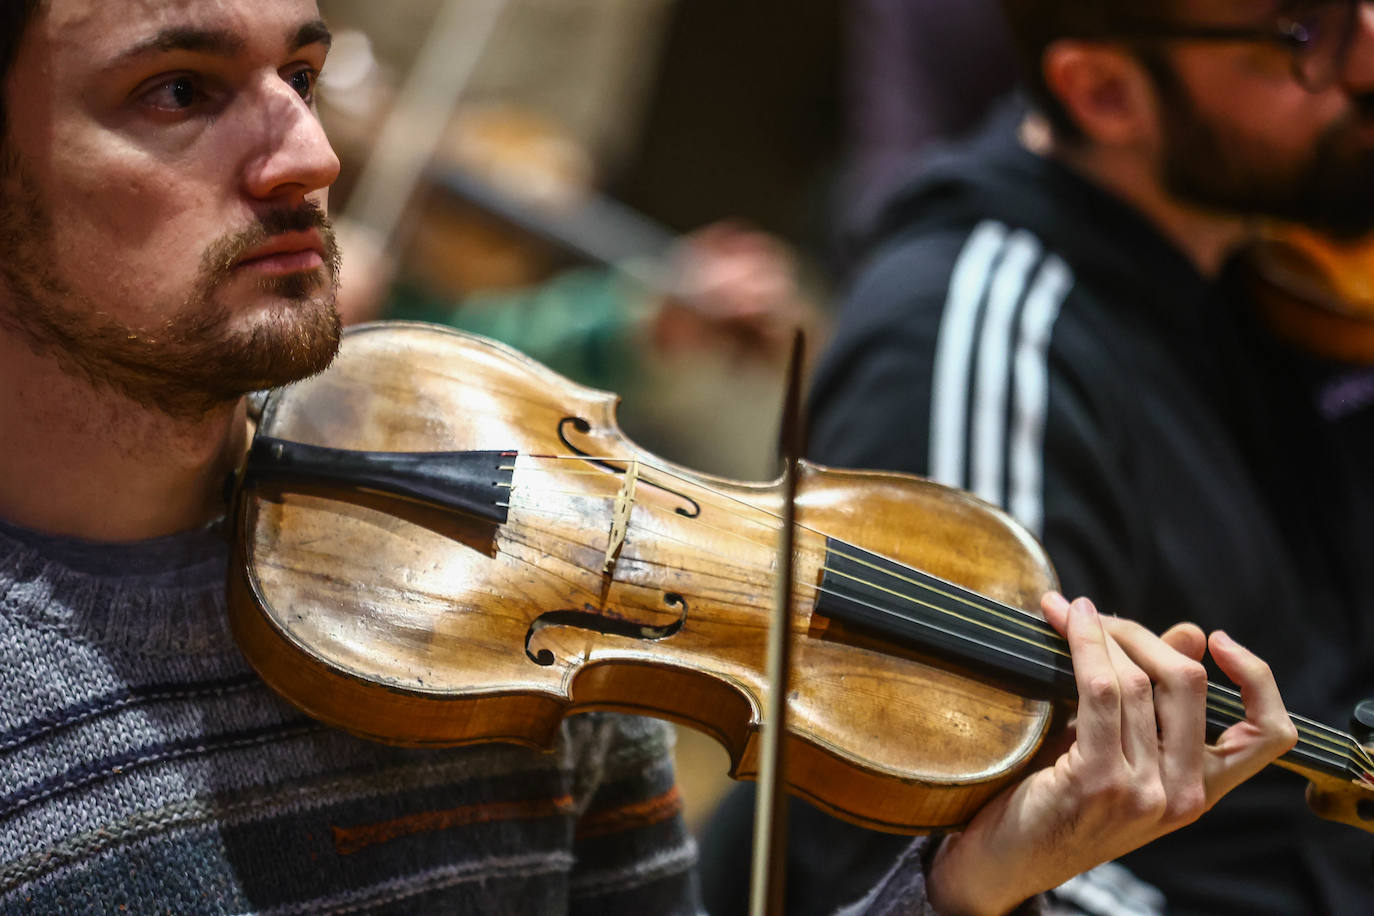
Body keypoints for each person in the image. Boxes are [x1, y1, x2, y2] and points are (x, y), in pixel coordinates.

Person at [0, 0, 1298, 913]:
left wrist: (971, 887)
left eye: (300, 69)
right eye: (180, 90)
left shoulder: (519, 592)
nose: (314, 152)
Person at [773, 0, 1374, 914]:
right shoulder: (971, 336)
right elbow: (925, 852)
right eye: (1302, 31)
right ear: (1104, 94)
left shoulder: (1253, 268)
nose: (1367, 52)